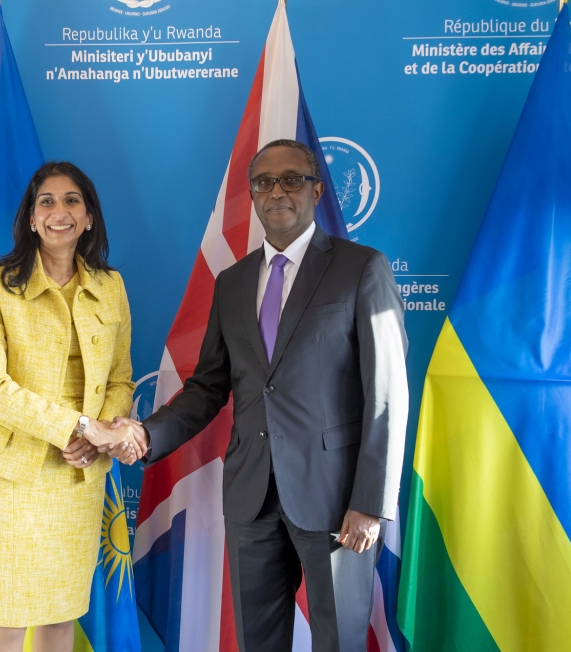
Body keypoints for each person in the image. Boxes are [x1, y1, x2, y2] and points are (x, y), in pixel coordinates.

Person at [109, 140, 408, 651]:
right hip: (251, 498)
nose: (277, 191)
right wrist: (145, 434)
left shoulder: (362, 268)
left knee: (340, 642)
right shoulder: (232, 282)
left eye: (291, 179)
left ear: (316, 190)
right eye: (264, 182)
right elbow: (207, 387)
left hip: (337, 503)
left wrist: (370, 503)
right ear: (251, 196)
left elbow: (387, 395)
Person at [0, 161, 145, 652]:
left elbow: (121, 378)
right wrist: (79, 427)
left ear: (88, 218)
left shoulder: (111, 287)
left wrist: (96, 434)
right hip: (11, 470)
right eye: (47, 201)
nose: (59, 211)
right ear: (31, 217)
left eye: (71, 201)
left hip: (78, 472)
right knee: (8, 615)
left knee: (61, 616)